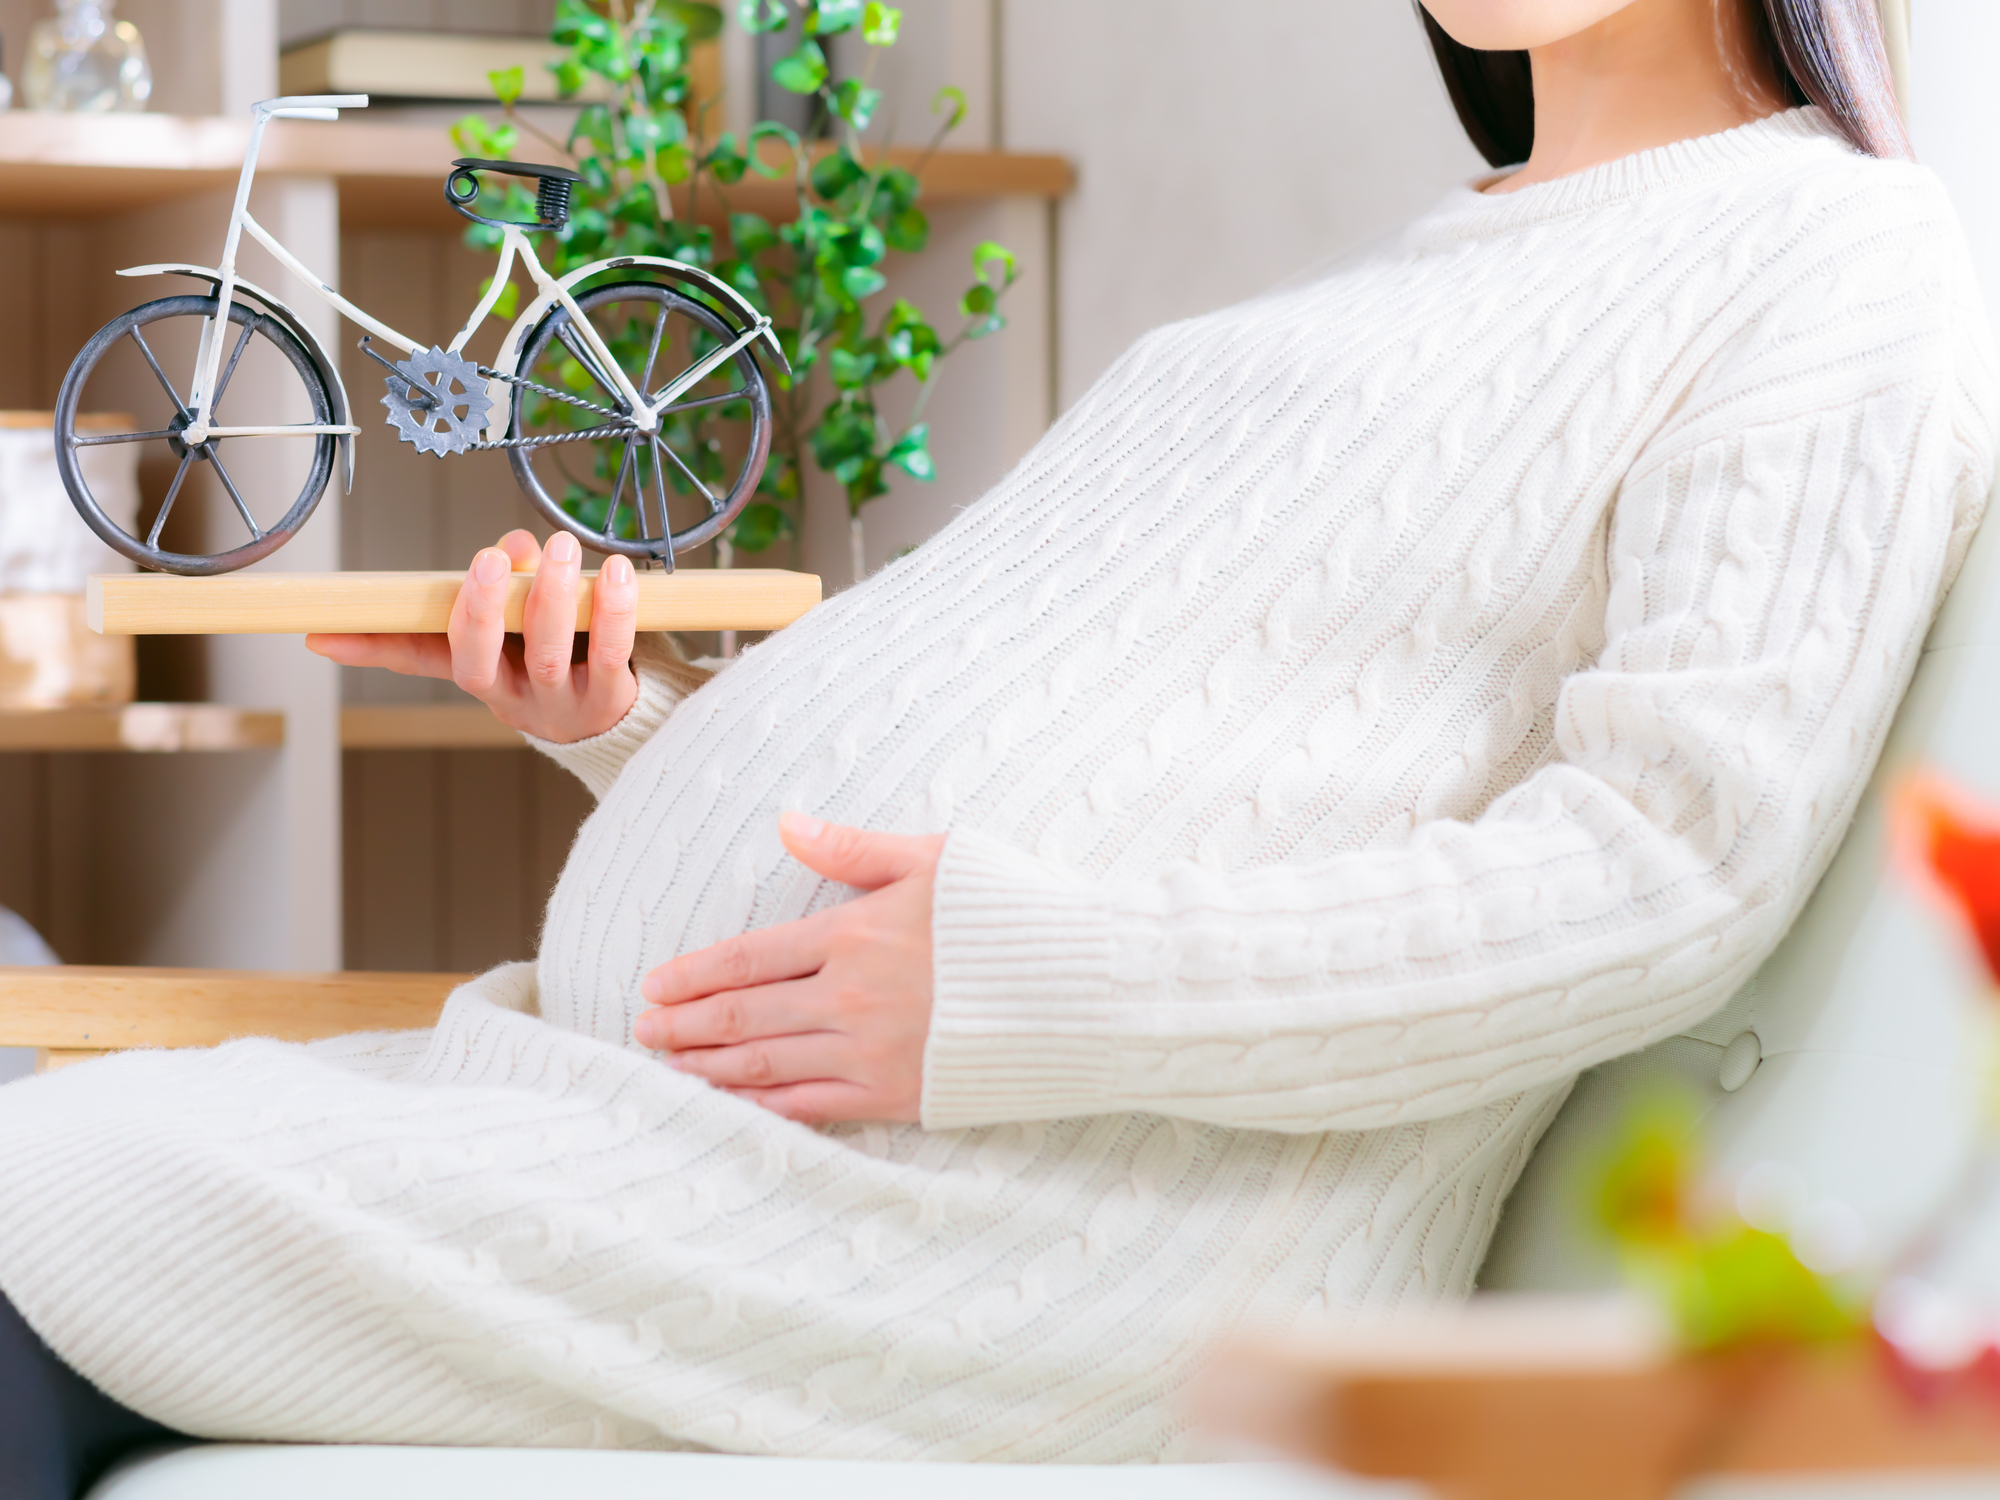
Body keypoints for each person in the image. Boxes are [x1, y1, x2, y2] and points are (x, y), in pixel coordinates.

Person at [2, 0, 1992, 1490]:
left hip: (1019, 1244)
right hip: (702, 1126)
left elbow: (1665, 870)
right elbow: (1089, 753)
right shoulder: (1425, 259)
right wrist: (631, 739)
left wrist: (1021, 986)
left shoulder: (1833, 260)